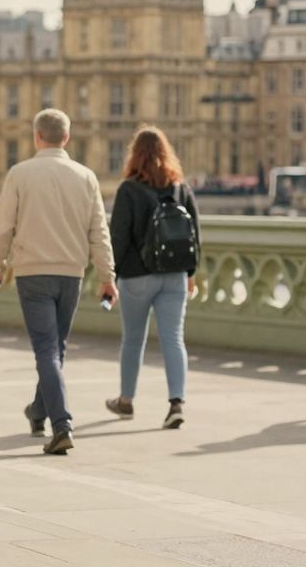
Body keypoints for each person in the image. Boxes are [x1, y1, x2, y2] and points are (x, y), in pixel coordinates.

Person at [0, 109, 116, 455]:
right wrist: (107, 277)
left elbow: (2, 227)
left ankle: (61, 425)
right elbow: (98, 233)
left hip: (32, 273)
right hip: (71, 273)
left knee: (46, 349)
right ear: (67, 138)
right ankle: (38, 410)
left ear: (36, 136)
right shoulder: (86, 176)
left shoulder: (20, 174)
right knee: (55, 349)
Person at [107, 126, 200, 429]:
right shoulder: (181, 188)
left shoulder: (129, 189)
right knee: (173, 339)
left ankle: (126, 401)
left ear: (135, 155)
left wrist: (111, 277)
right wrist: (190, 273)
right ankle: (176, 403)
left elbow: (118, 238)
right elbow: (195, 235)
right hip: (174, 275)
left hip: (136, 277)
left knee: (133, 341)